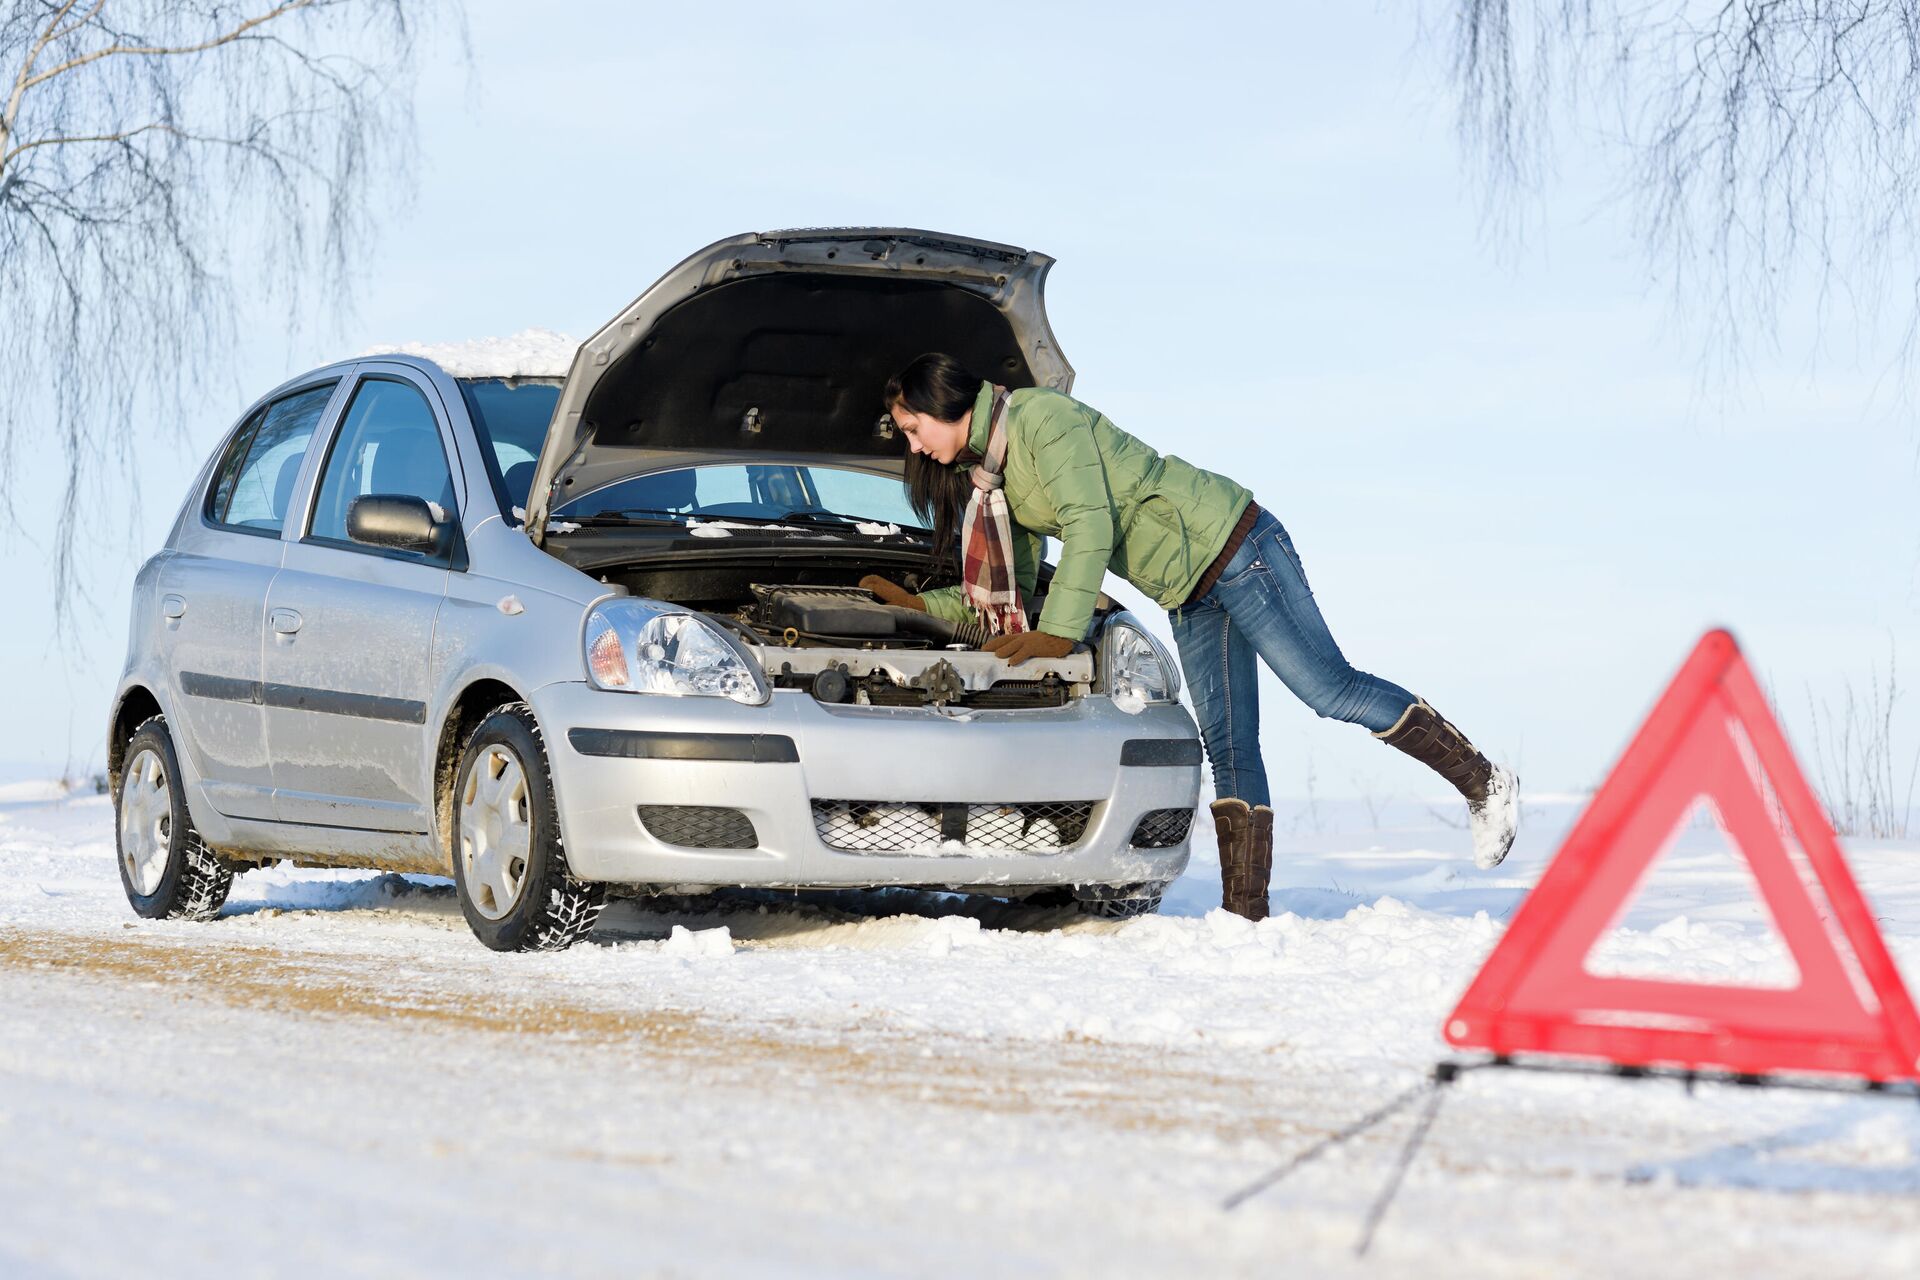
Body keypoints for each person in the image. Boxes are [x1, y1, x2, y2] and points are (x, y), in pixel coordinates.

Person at [860, 353, 1519, 920]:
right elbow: (1019, 583)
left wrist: (1060, 637)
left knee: (1328, 688)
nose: (914, 445)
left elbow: (1091, 525)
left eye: (914, 429)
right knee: (1229, 744)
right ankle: (1246, 916)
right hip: (1189, 589)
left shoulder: (1041, 420)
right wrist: (920, 603)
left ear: (940, 405)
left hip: (1235, 545)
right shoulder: (995, 480)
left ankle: (1484, 782)